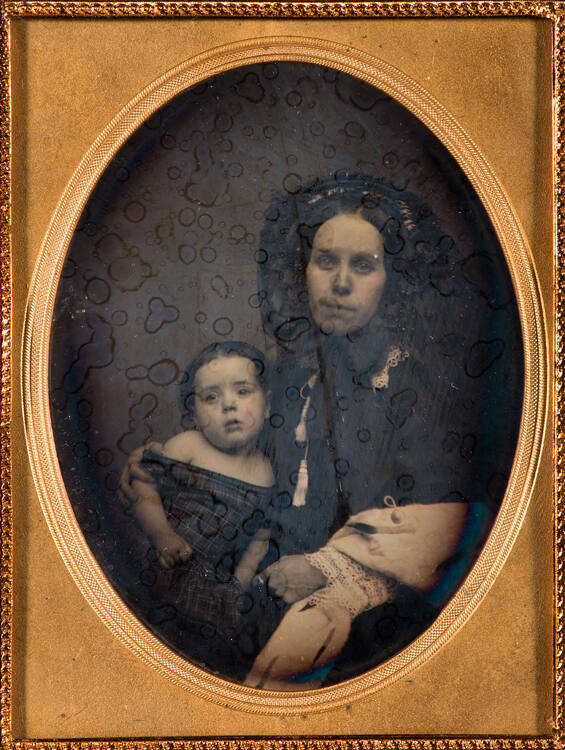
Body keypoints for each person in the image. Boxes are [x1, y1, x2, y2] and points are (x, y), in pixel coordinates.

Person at [122, 173, 500, 687]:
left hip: (372, 614)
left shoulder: (420, 388)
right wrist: (162, 466)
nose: (340, 283)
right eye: (325, 261)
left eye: (362, 265)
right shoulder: (289, 378)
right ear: (303, 270)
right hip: (260, 586)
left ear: (392, 280)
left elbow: (460, 525)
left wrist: (329, 567)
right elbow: (235, 451)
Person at [127, 341, 275, 675]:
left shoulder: (266, 472)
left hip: (214, 591)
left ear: (267, 405)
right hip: (168, 568)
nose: (229, 405)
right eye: (211, 397)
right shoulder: (188, 446)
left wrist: (239, 586)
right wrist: (161, 534)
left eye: (243, 391)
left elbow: (260, 538)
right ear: (194, 414)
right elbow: (142, 485)